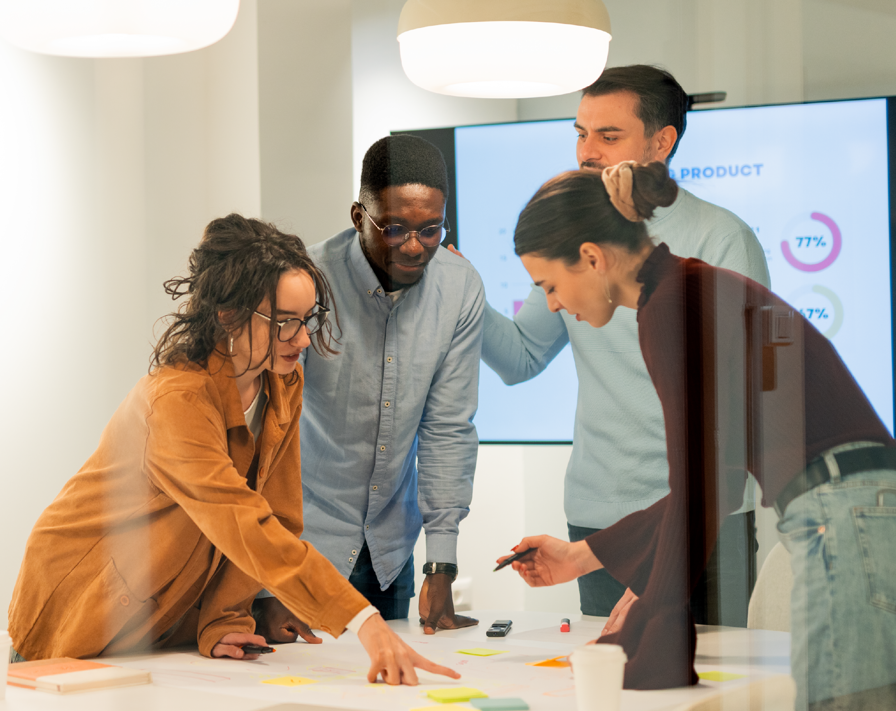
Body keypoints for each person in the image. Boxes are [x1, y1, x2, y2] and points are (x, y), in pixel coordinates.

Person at [501, 162, 896, 708]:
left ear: (592, 258)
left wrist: (652, 621)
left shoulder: (670, 306)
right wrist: (583, 555)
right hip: (859, 506)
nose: (552, 304)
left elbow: (701, 489)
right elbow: (716, 480)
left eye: (550, 286)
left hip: (842, 510)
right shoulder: (685, 287)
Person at [7, 214, 460, 686]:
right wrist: (362, 619)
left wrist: (224, 619)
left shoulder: (282, 381)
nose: (303, 339)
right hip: (80, 602)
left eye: (308, 319)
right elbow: (243, 521)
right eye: (285, 323)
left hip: (155, 620)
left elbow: (277, 515)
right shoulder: (175, 401)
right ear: (228, 314)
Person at [475, 65, 770, 625]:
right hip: (599, 513)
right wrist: (457, 287)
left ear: (662, 142)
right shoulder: (573, 236)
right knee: (613, 671)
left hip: (707, 515)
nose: (587, 152)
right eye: (581, 133)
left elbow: (738, 411)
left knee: (713, 673)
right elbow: (520, 357)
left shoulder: (720, 239)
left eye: (608, 136)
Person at [255, 135, 483, 640]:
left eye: (431, 230)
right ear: (359, 217)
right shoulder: (306, 281)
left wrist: (440, 565)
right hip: (303, 546)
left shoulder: (460, 287)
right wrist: (267, 584)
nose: (414, 246)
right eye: (395, 228)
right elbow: (268, 430)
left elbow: (447, 428)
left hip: (389, 553)